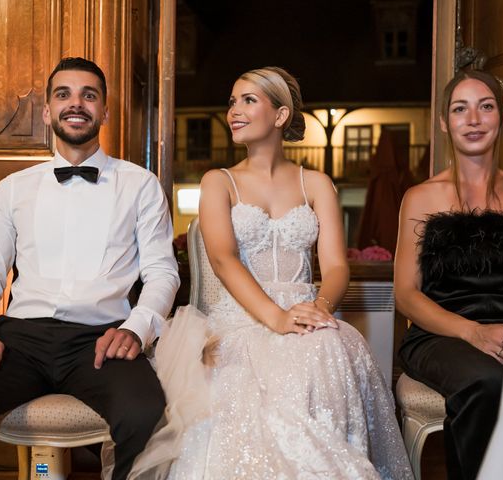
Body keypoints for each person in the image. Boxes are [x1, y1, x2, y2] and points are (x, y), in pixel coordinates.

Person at [129, 67, 412, 480]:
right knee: (259, 390)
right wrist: (276, 318)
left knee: (328, 346)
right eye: (232, 101)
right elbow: (224, 260)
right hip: (241, 317)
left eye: (248, 100)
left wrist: (319, 307)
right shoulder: (218, 182)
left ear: (280, 116)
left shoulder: (317, 183)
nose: (234, 111)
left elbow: (335, 266)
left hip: (305, 307)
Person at [0, 57, 180, 480]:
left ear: (103, 111)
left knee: (144, 413)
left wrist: (135, 329)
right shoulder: (12, 189)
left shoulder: (140, 185)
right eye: (63, 94)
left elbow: (162, 273)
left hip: (102, 340)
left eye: (89, 95)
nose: (76, 103)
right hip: (20, 341)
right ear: (47, 111)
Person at [394, 69, 503, 480]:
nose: (473, 119)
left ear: (501, 118)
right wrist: (473, 332)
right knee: (489, 382)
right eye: (460, 109)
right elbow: (406, 295)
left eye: (485, 107)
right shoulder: (420, 197)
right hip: (442, 334)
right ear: (444, 122)